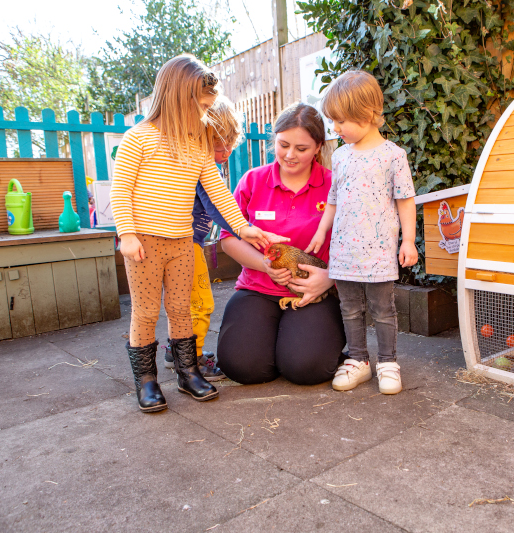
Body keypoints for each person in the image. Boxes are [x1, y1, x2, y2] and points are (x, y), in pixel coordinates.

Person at [110, 55, 286, 413]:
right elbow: (120, 191)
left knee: (181, 309)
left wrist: (243, 227)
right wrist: (126, 234)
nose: (205, 115)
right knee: (145, 312)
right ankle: (146, 381)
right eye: (202, 107)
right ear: (179, 99)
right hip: (144, 244)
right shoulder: (138, 139)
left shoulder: (196, 146)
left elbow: (218, 192)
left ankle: (188, 372)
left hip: (181, 243)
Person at [216, 102, 346, 385]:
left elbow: (356, 241)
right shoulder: (253, 181)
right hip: (257, 286)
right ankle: (277, 345)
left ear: (318, 147)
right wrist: (264, 264)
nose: (290, 155)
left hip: (313, 291)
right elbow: (228, 239)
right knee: (241, 367)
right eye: (283, 144)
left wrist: (329, 278)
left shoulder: (334, 184)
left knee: (306, 369)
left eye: (301, 148)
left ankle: (300, 348)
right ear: (273, 139)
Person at [305, 70, 417, 395]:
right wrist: (320, 233)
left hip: (379, 251)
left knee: (384, 309)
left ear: (367, 115)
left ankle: (388, 362)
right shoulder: (339, 156)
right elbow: (333, 201)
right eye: (333, 121)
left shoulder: (393, 156)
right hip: (343, 251)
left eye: (341, 121)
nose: (335, 129)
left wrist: (408, 240)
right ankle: (358, 361)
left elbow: (406, 200)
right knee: (349, 307)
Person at [163, 95, 244, 381]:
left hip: (187, 242)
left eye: (229, 147)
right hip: (186, 244)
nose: (224, 154)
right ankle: (191, 357)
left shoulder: (201, 164)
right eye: (218, 147)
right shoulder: (200, 168)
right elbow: (217, 207)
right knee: (200, 303)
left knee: (183, 301)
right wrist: (242, 230)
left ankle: (177, 350)